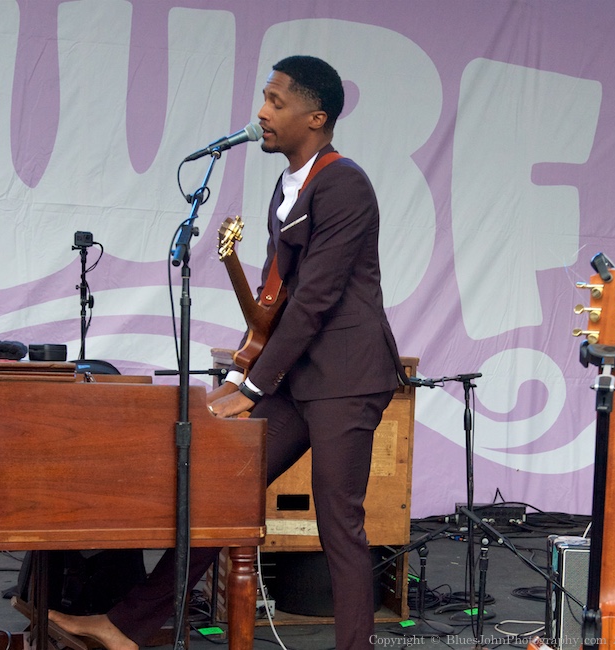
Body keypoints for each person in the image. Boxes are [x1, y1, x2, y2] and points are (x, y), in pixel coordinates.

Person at [49, 54, 407, 650]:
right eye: (263, 99)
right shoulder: (285, 185)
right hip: (296, 374)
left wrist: (253, 387)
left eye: (276, 102)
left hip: (346, 375)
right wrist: (248, 358)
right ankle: (126, 626)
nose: (261, 114)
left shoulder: (344, 183)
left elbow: (316, 301)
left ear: (315, 117)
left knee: (339, 523)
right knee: (215, 495)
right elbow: (279, 296)